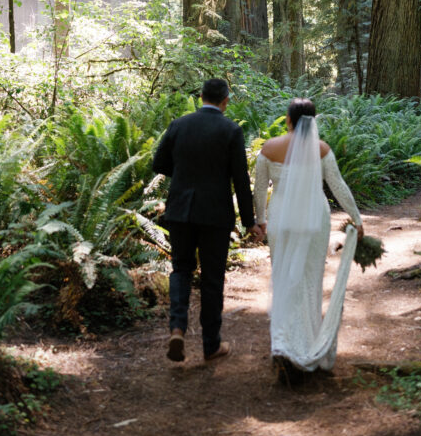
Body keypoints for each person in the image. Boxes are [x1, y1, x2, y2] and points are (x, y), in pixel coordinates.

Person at [153, 78, 262, 363]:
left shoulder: (179, 125)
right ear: (226, 100)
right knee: (212, 279)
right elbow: (240, 179)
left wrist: (185, 172)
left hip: (180, 211)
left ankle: (177, 328)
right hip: (215, 214)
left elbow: (159, 164)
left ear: (200, 96)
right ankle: (211, 345)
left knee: (180, 270)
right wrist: (250, 222)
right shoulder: (231, 130)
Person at [254, 97, 363, 374]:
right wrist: (357, 218)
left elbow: (258, 190)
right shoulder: (322, 149)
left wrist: (260, 221)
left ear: (288, 120)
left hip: (281, 220)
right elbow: (338, 186)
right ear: (313, 121)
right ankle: (308, 341)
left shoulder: (269, 148)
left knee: (282, 278)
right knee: (311, 281)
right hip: (315, 220)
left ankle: (281, 343)